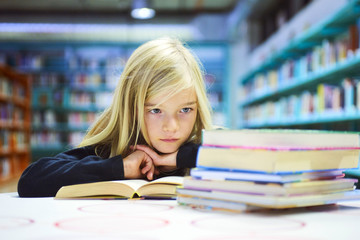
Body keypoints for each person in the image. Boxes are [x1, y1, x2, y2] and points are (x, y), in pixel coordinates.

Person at [18, 37, 213, 197]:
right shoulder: (109, 151)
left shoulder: (209, 148)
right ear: (131, 108)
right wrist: (121, 167)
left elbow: (242, 158)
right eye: (155, 110)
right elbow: (30, 180)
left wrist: (181, 158)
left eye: (185, 110)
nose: (171, 127)